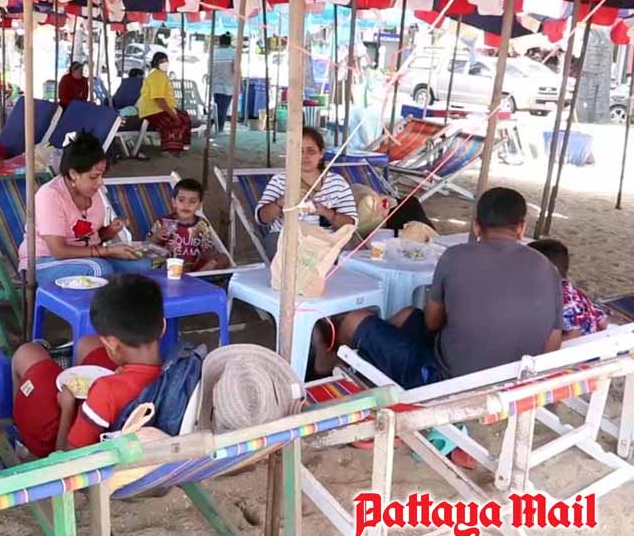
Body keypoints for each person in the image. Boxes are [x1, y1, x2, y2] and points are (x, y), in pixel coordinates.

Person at [315, 188, 563, 388]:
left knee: (353, 321)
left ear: (476, 226)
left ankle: (331, 367)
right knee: (408, 314)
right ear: (522, 227)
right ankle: (371, 355)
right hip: (515, 381)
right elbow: (552, 343)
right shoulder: (546, 268)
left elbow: (432, 323)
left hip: (446, 382)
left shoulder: (456, 256)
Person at [11, 274, 164, 457]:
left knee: (25, 353)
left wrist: (67, 408)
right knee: (87, 343)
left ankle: (21, 437)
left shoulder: (106, 391)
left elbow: (67, 458)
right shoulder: (174, 369)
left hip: (65, 443)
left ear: (112, 344)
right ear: (162, 326)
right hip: (121, 424)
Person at [18, 133, 149, 282]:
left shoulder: (94, 192)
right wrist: (107, 251)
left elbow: (89, 237)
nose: (100, 182)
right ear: (74, 173)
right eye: (94, 177)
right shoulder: (50, 195)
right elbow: (59, 251)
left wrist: (110, 231)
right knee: (98, 269)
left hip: (87, 257)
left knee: (142, 266)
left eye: (101, 175)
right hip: (43, 262)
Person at [255, 127, 357, 259]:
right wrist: (280, 202)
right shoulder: (280, 180)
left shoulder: (337, 183)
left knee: (345, 253)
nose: (305, 156)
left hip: (324, 240)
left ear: (321, 154)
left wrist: (326, 212)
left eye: (311, 151)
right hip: (285, 238)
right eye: (299, 151)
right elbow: (261, 218)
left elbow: (350, 224)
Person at [529, 239, 608, 340]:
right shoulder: (576, 293)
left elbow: (573, 335)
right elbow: (603, 321)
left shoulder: (559, 301)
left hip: (576, 347)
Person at [148, 178, 229, 272]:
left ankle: (201, 273)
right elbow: (146, 247)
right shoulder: (163, 223)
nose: (186, 205)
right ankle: (197, 277)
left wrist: (209, 255)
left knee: (223, 258)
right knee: (155, 261)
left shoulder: (202, 224)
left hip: (194, 267)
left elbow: (207, 250)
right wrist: (156, 236)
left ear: (199, 205)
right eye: (181, 200)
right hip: (170, 266)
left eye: (192, 201)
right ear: (174, 202)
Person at [138, 52, 192, 155]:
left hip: (159, 109)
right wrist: (173, 115)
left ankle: (180, 146)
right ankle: (171, 148)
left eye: (166, 61)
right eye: (161, 62)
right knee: (176, 121)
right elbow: (159, 100)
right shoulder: (157, 76)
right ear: (155, 63)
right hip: (154, 111)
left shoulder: (161, 75)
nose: (164, 64)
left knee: (184, 116)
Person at [211, 33, 236, 133]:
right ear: (229, 43)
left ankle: (215, 123)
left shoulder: (214, 52)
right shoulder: (233, 53)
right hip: (228, 84)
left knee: (217, 105)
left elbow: (209, 68)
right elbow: (236, 68)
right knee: (224, 107)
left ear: (219, 42)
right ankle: (220, 127)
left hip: (216, 84)